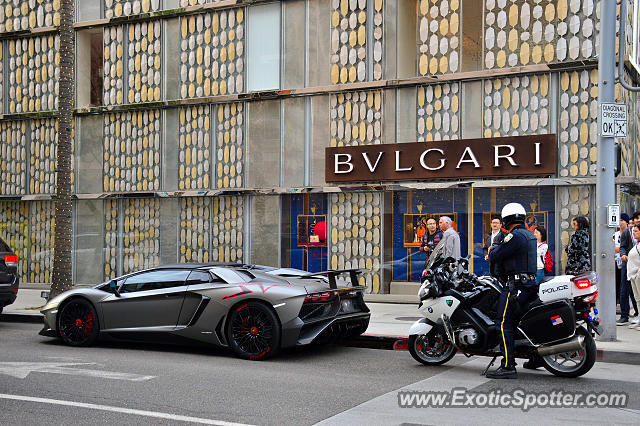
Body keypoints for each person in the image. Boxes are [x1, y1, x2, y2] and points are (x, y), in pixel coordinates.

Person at [486, 203, 538, 379]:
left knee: (502, 322)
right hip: (528, 284)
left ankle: (508, 366)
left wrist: (492, 250)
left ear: (507, 219)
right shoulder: (529, 234)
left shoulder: (514, 237)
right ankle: (535, 356)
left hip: (515, 287)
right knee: (519, 322)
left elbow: (496, 255)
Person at [620, 213, 639, 325]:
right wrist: (623, 254)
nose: (638, 220)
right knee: (624, 290)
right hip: (628, 264)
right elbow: (622, 246)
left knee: (636, 292)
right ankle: (624, 315)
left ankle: (637, 314)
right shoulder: (628, 232)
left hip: (638, 265)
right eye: (636, 218)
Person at [627, 226, 640, 330]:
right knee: (637, 299)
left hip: (638, 274)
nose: (634, 233)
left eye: (636, 231)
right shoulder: (637, 244)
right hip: (633, 274)